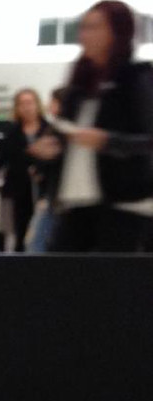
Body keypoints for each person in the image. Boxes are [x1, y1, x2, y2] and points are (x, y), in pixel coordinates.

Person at [29, 1, 153, 252]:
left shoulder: (135, 77)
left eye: (94, 27)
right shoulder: (78, 85)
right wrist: (50, 149)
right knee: (60, 270)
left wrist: (108, 141)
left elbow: (147, 139)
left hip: (123, 204)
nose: (84, 35)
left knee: (110, 274)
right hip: (74, 202)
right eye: (83, 27)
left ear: (117, 32)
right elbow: (66, 135)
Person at [0, 89, 51, 251]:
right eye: (22, 104)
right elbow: (2, 160)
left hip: (44, 189)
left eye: (30, 103)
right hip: (19, 190)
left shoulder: (49, 130)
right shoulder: (11, 133)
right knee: (20, 230)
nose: (26, 108)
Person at [27, 88, 67, 253]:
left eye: (53, 101)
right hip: (52, 196)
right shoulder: (54, 129)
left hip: (56, 198)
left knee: (38, 245)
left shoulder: (61, 131)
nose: (49, 105)